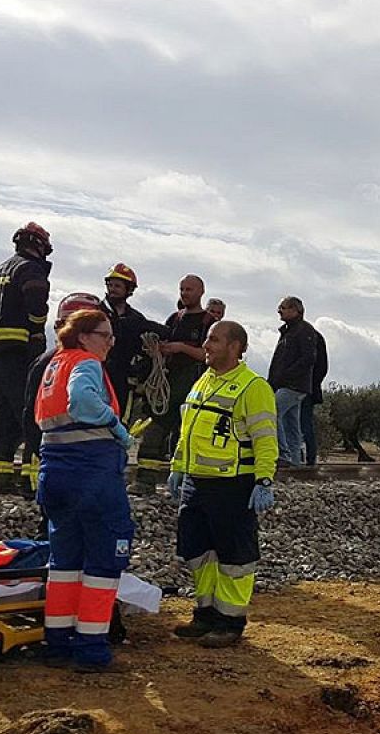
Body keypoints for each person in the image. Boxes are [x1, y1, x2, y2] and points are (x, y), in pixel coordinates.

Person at [34, 309, 137, 671]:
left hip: (55, 472)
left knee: (64, 562)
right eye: (104, 335)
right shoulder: (86, 364)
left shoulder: (54, 365)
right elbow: (82, 399)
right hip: (91, 473)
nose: (110, 343)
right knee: (104, 560)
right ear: (83, 336)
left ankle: (58, 642)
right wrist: (115, 425)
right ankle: (91, 649)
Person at [168, 321, 278, 647]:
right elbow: (188, 431)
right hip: (196, 484)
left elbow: (265, 439)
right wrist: (178, 467)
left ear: (235, 346)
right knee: (197, 551)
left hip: (232, 486)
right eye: (207, 338)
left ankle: (230, 622)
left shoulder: (253, 387)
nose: (206, 345)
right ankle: (205, 614)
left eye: (214, 339)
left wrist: (264, 479)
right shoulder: (204, 381)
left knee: (234, 557)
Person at [0, 223, 53, 493]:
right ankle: (32, 481)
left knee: (4, 418)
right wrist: (37, 334)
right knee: (31, 416)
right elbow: (37, 308)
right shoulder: (30, 269)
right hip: (19, 352)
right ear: (40, 246)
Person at [20, 292, 104, 533]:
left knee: (59, 527)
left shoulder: (49, 361)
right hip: (75, 461)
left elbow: (31, 415)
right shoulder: (80, 364)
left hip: (60, 460)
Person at [132, 275, 213, 493]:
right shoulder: (174, 319)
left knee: (186, 434)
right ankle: (145, 480)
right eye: (182, 289)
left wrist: (182, 348)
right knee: (154, 429)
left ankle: (185, 483)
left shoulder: (208, 322)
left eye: (189, 289)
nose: (184, 293)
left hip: (194, 385)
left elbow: (208, 354)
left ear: (201, 292)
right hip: (168, 383)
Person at [99, 263, 168, 413]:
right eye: (110, 285)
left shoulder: (135, 319)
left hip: (122, 379)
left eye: (117, 286)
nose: (112, 289)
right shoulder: (96, 313)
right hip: (96, 373)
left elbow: (159, 333)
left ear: (128, 290)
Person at [268, 296, 319, 467]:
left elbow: (308, 358)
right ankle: (295, 461)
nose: (279, 311)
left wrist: (285, 375)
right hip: (289, 384)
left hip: (294, 385)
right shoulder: (289, 331)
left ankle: (284, 454)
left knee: (271, 412)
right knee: (291, 423)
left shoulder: (304, 330)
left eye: (283, 307)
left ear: (295, 310)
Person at [299, 325, 329, 466]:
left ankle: (307, 459)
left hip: (304, 389)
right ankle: (303, 458)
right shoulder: (296, 334)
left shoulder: (308, 335)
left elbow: (321, 367)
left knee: (303, 423)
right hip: (301, 387)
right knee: (299, 423)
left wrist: (309, 384)